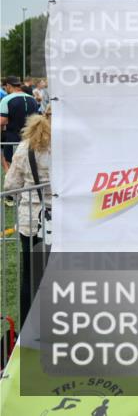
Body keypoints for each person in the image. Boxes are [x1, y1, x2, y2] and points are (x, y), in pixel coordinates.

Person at [3, 109, 52, 323]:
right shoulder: (70, 149)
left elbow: (10, 186)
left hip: (31, 221)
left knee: (30, 278)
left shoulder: (25, 148)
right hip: (63, 221)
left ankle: (27, 327)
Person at [1, 76, 41, 166]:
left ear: (8, 86)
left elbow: (2, 121)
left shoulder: (6, 99)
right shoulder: (33, 99)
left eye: (5, 87)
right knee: (29, 165)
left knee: (12, 164)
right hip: (31, 140)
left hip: (13, 139)